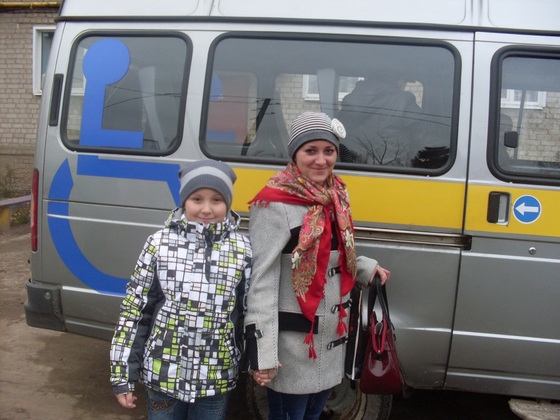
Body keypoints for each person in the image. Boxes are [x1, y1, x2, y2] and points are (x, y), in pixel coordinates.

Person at [244, 112, 391, 420]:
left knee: (313, 415)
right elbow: (262, 280)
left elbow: (335, 252)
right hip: (294, 343)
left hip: (330, 338)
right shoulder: (273, 202)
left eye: (329, 150)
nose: (321, 160)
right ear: (295, 154)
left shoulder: (337, 195)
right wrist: (263, 353)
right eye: (311, 150)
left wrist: (364, 268)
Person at [109, 159, 252, 420]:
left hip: (216, 377)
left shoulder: (242, 250)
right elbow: (135, 310)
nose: (206, 209)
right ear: (184, 201)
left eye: (217, 200)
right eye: (197, 199)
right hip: (162, 374)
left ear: (228, 203)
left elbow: (248, 313)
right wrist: (123, 375)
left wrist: (255, 362)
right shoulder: (159, 244)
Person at [336, 69, 426, 166]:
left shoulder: (350, 104)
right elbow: (425, 139)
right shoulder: (405, 102)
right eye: (405, 83)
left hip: (350, 167)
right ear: (399, 82)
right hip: (394, 170)